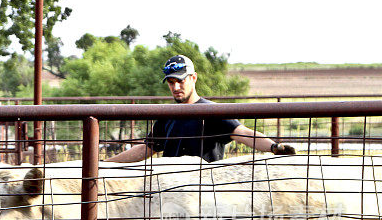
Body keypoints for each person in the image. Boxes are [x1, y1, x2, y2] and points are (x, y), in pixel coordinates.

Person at [105, 55, 296, 162]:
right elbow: (147, 148)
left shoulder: (212, 112)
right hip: (170, 188)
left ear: (193, 78)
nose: (176, 87)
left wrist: (273, 147)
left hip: (203, 190)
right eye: (171, 82)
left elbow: (244, 133)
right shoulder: (166, 116)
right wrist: (106, 165)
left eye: (180, 81)